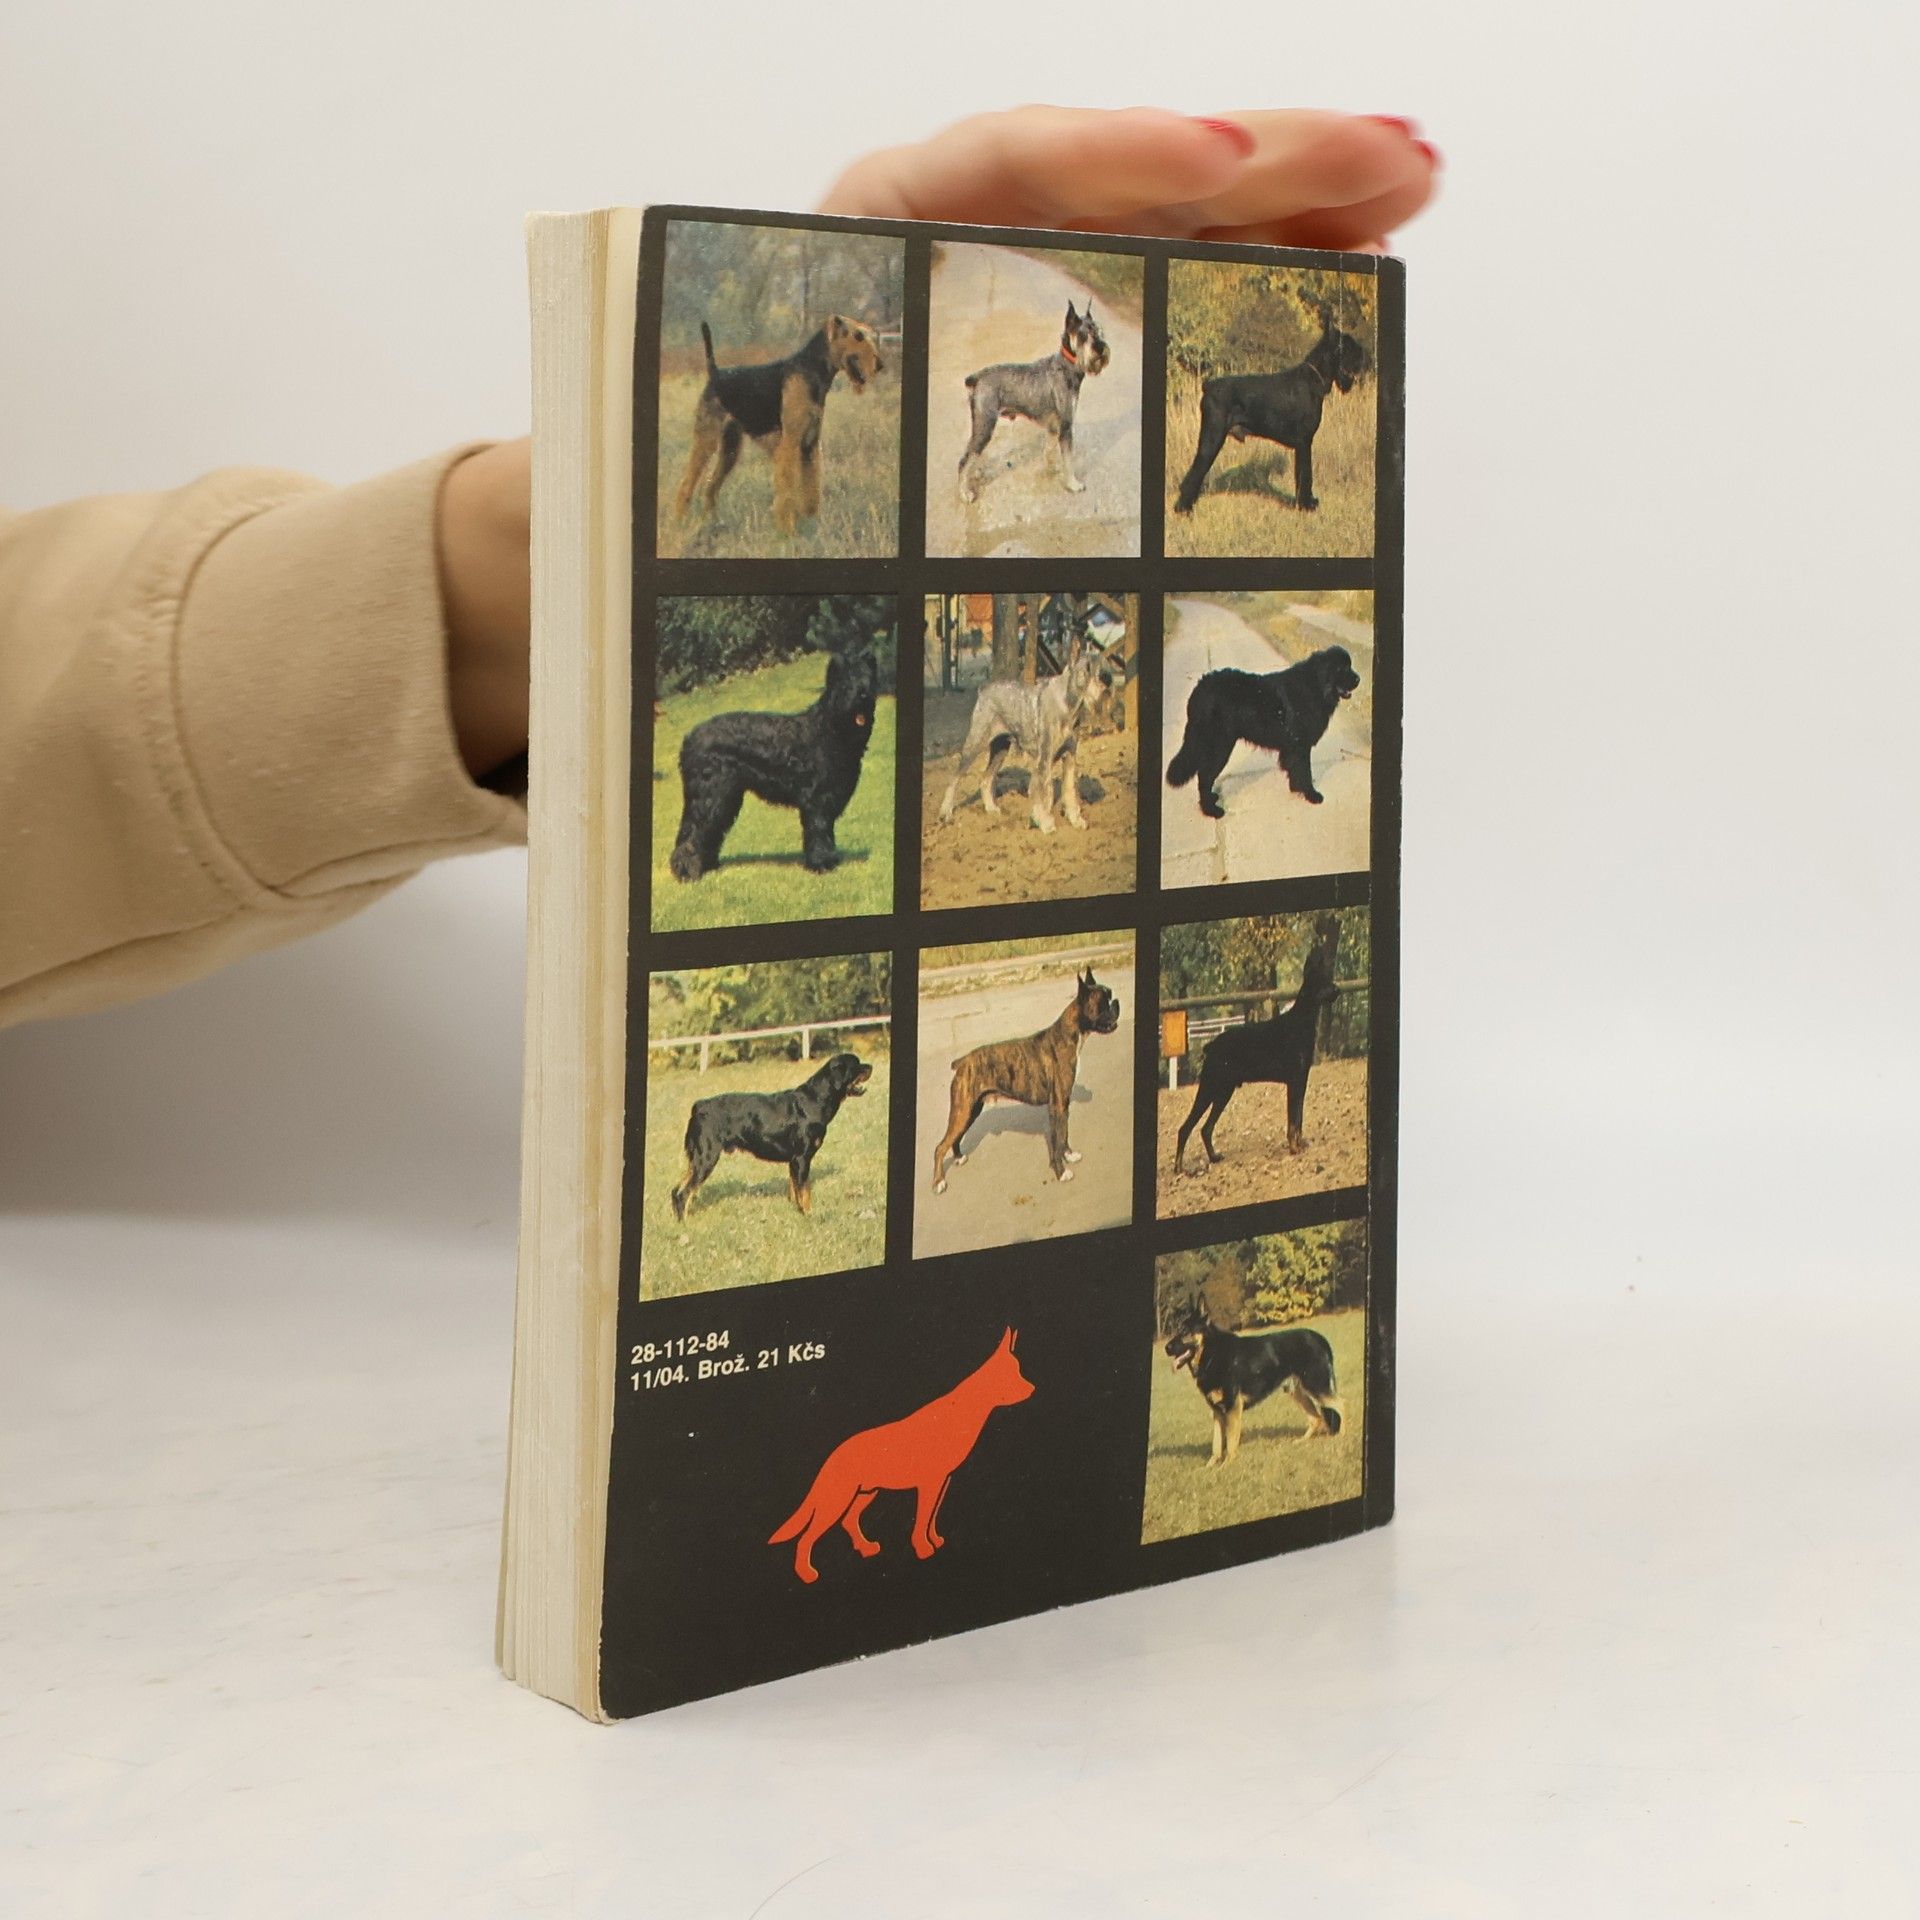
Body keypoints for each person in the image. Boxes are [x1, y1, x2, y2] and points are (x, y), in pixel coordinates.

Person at [0, 107, 1436, 1030]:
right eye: (858, 348)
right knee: (862, 703)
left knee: (822, 704)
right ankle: (752, 820)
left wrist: (536, 564)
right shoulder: (931, 398)